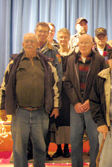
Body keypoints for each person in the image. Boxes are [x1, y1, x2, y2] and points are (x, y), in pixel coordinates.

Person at [0, 33, 60, 167]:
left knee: (40, 147)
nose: (29, 43)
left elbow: (54, 86)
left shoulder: (47, 64)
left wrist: (55, 106)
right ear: (23, 44)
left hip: (41, 113)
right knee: (19, 148)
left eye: (32, 41)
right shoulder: (14, 63)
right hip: (20, 113)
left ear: (38, 44)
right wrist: (2, 108)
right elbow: (4, 86)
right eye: (27, 41)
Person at [63, 34, 106, 167]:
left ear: (92, 44)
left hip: (93, 106)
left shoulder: (99, 60)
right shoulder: (71, 60)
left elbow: (102, 82)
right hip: (76, 106)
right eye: (81, 43)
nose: (83, 45)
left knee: (94, 140)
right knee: (75, 140)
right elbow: (67, 82)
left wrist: (90, 101)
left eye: (86, 43)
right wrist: (76, 102)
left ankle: (95, 164)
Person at [34, 21, 62, 160]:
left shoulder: (53, 52)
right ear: (35, 32)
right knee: (30, 128)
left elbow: (59, 76)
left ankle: (43, 153)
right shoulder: (28, 48)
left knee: (45, 127)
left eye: (45, 31)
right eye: (40, 31)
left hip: (47, 97)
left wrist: (57, 101)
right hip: (31, 96)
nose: (42, 34)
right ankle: (30, 152)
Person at [51, 28, 75, 158]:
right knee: (57, 119)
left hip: (68, 94)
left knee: (68, 119)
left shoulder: (74, 54)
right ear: (57, 38)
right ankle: (58, 148)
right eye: (61, 37)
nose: (63, 40)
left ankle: (66, 147)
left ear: (69, 38)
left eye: (65, 37)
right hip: (56, 92)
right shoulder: (54, 53)